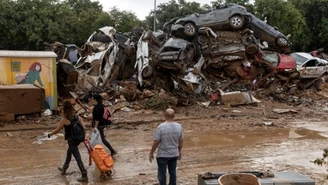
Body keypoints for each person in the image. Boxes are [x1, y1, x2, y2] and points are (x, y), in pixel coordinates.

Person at [48, 101, 88, 182]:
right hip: (78, 139)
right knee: (69, 152)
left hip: (71, 140)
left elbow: (57, 130)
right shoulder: (77, 117)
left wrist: (50, 134)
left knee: (77, 157)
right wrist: (83, 137)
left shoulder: (64, 120)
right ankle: (64, 168)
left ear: (64, 109)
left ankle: (84, 175)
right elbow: (84, 128)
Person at [149, 108, 184, 185]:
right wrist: (179, 151)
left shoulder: (161, 127)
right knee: (172, 172)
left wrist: (151, 152)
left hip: (162, 154)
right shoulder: (179, 127)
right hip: (174, 153)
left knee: (162, 174)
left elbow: (156, 142)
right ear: (174, 116)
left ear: (165, 115)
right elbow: (181, 141)